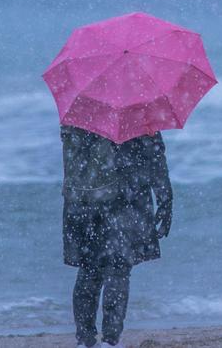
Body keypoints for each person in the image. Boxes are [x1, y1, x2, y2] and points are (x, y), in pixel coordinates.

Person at [61, 125, 172, 348]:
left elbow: (73, 159)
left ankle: (84, 340)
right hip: (123, 198)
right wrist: (165, 197)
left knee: (88, 270)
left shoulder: (78, 109)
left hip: (82, 202)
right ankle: (111, 341)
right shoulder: (137, 110)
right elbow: (154, 156)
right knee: (117, 269)